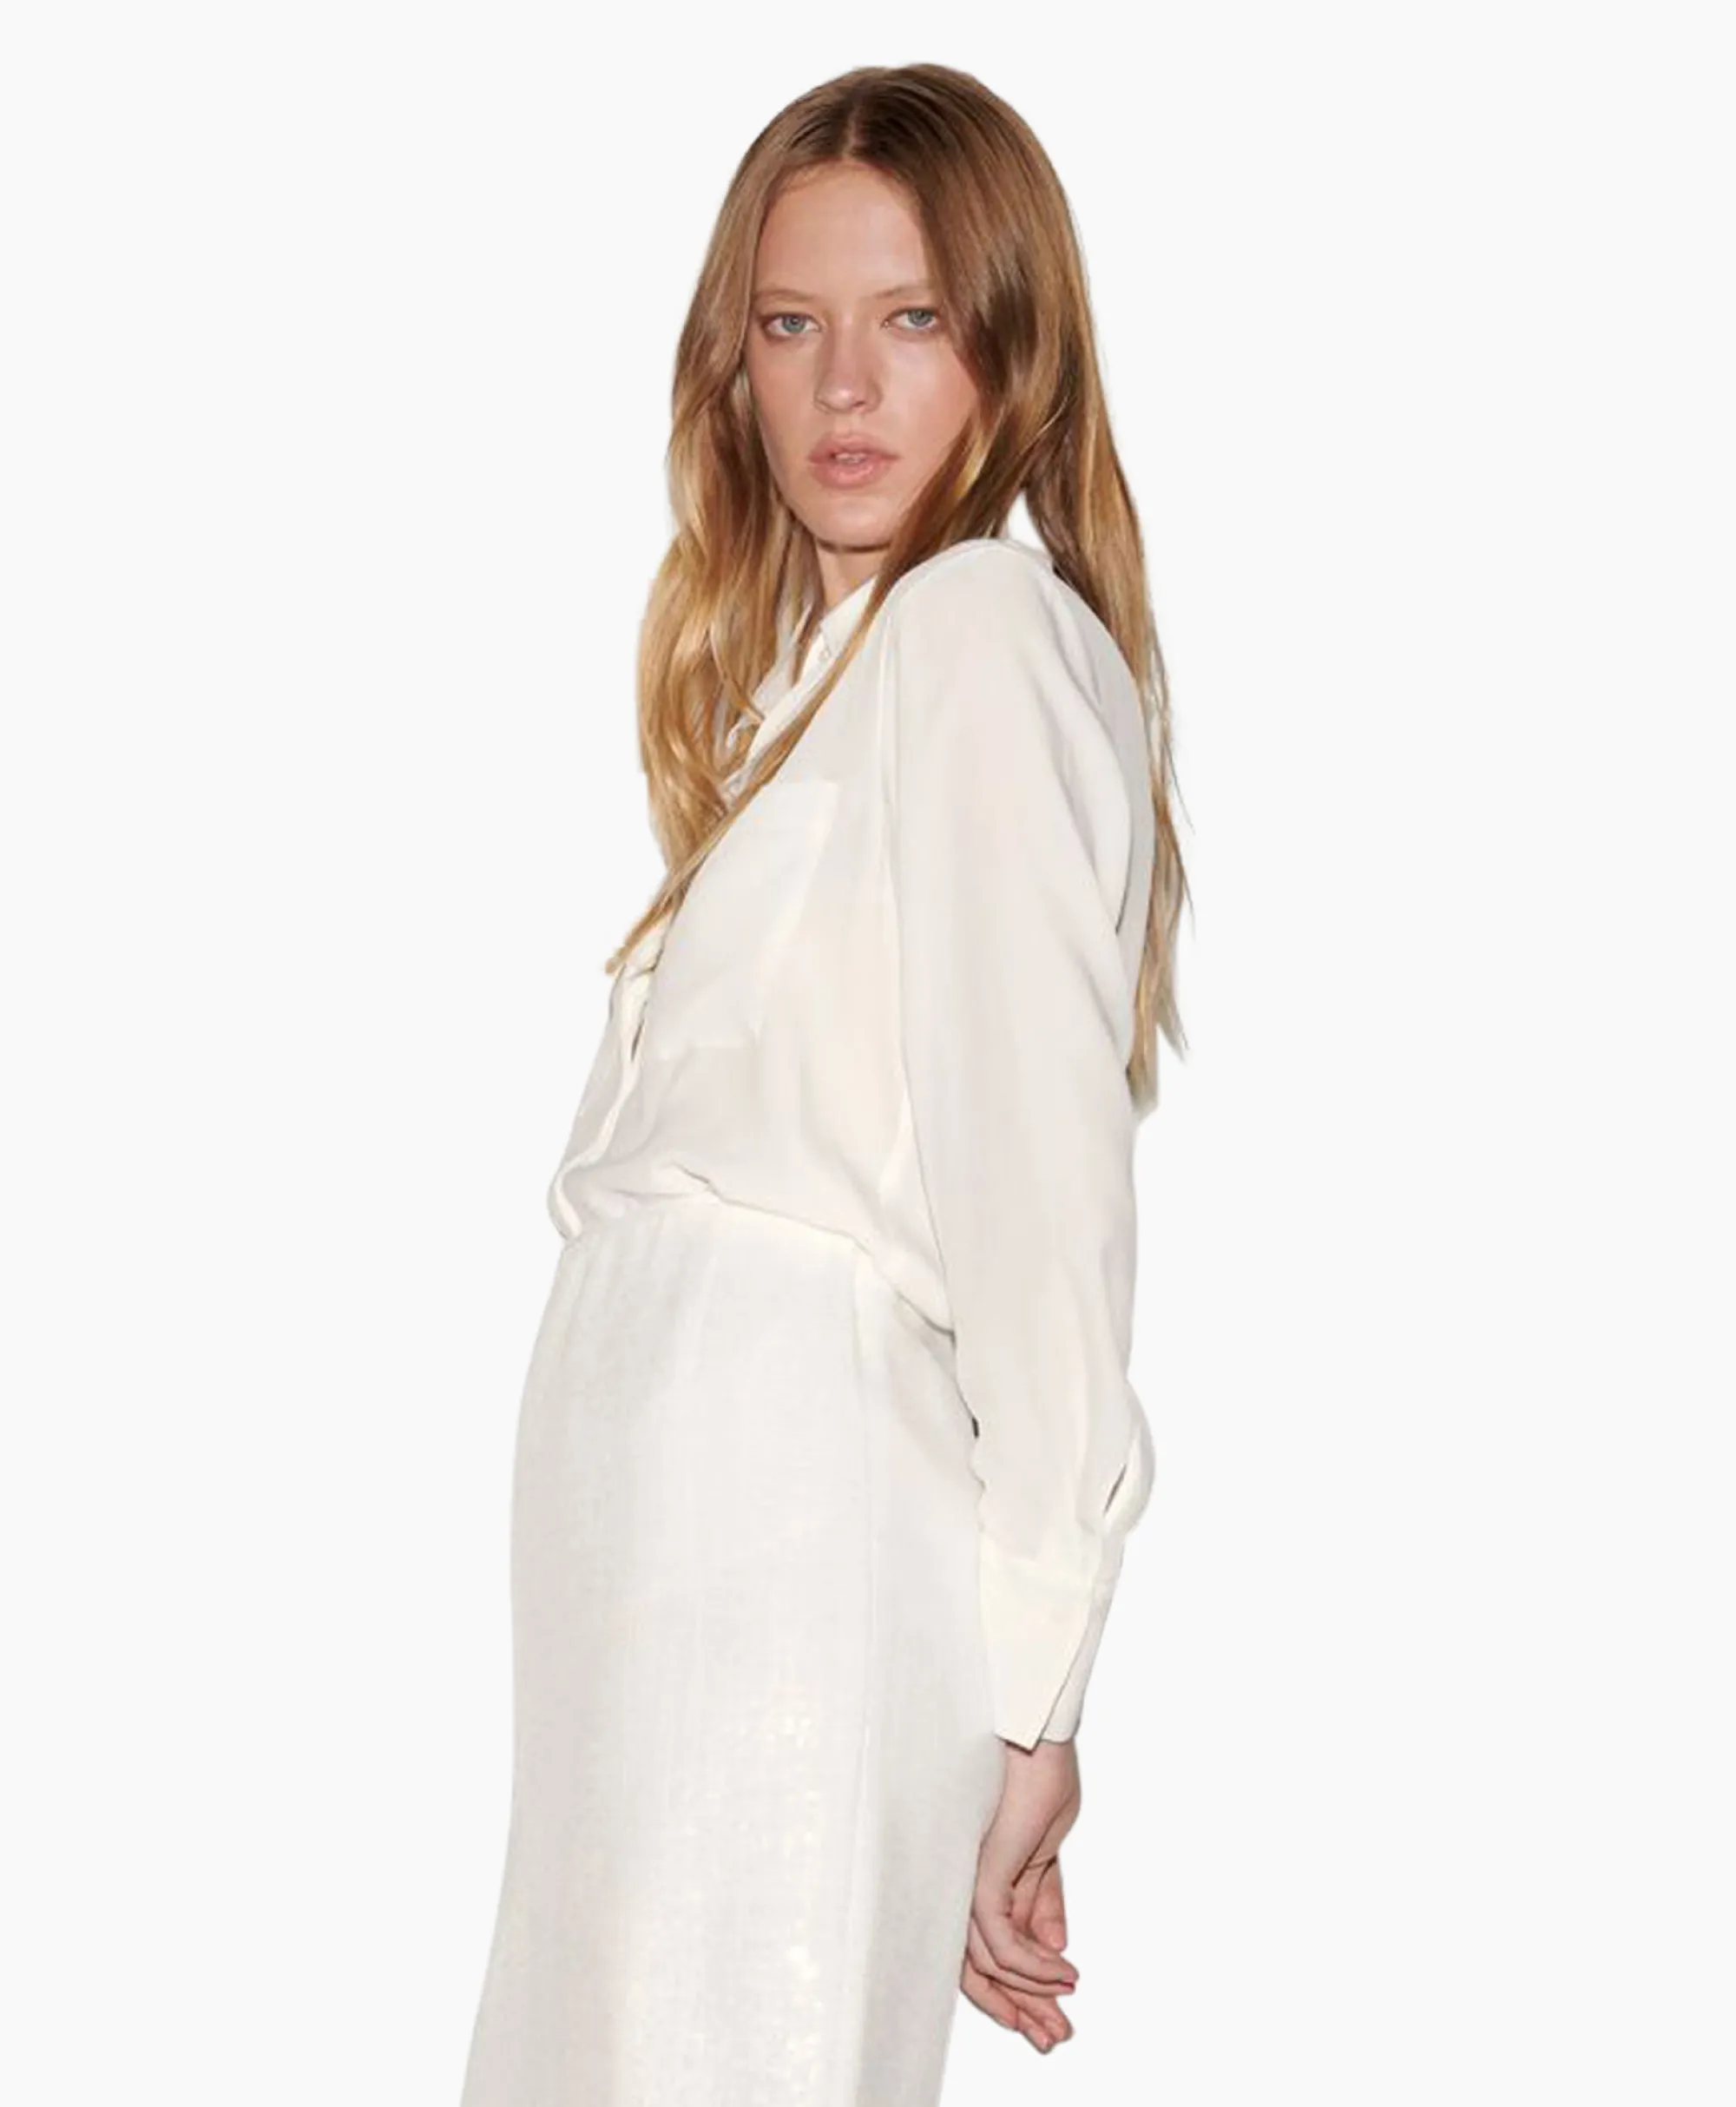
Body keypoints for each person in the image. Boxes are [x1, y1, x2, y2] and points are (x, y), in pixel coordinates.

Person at [458, 60, 1188, 2107]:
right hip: (669, 1515)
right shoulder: (823, 678)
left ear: (1011, 350)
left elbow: (1042, 1193)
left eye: (911, 319)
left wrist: (1032, 1689)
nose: (841, 386)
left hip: (787, 1501)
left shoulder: (974, 631)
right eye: (790, 323)